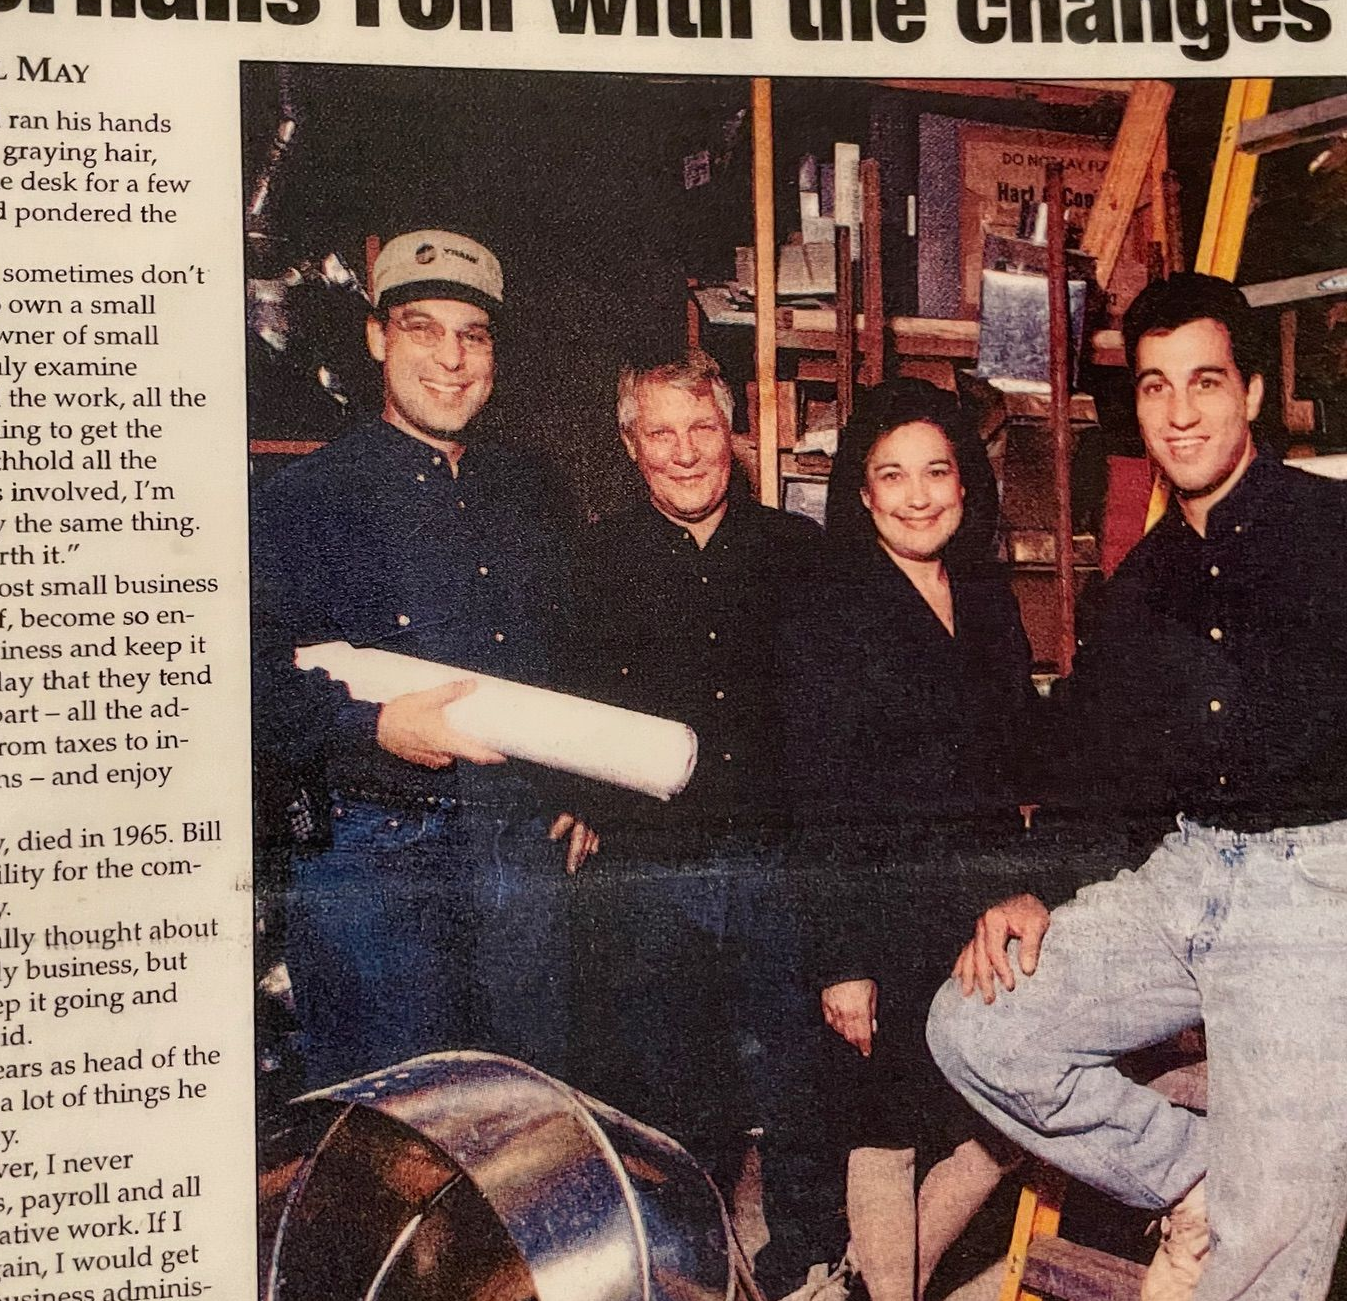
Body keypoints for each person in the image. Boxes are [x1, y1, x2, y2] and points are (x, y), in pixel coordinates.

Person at [927, 272, 1347, 1301]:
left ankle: (1251, 1198)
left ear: (1250, 391)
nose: (1181, 409)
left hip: (1314, 886)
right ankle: (1196, 1176)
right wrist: (1037, 882)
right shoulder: (1142, 577)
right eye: (1156, 386)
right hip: (1183, 868)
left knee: (1265, 1249)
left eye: (1205, 380)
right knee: (977, 1025)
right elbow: (1096, 760)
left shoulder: (1335, 529)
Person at [250, 228, 587, 1090]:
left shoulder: (532, 494)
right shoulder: (300, 499)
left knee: (526, 1125)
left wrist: (584, 790)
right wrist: (374, 726)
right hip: (375, 859)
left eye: (472, 335)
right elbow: (240, 687)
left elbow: (577, 656)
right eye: (420, 328)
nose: (450, 358)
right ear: (376, 338)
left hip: (518, 857)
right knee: (402, 1138)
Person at [781, 379, 1034, 1301]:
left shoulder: (988, 599)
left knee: (1007, 1110)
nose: (918, 494)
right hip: (875, 911)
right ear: (861, 492)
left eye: (937, 471)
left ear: (966, 485)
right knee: (884, 1130)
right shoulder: (829, 607)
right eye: (893, 475)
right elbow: (816, 797)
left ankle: (872, 1286)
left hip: (976, 910)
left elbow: (1013, 768)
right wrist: (844, 961)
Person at [567, 348, 824, 1249]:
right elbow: (557, 698)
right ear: (631, 447)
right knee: (666, 1087)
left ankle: (806, 1256)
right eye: (661, 434)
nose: (685, 454)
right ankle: (681, 1260)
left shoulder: (801, 555)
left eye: (702, 429)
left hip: (774, 862)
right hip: (649, 865)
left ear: (734, 435)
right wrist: (569, 795)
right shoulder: (591, 562)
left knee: (798, 1077)